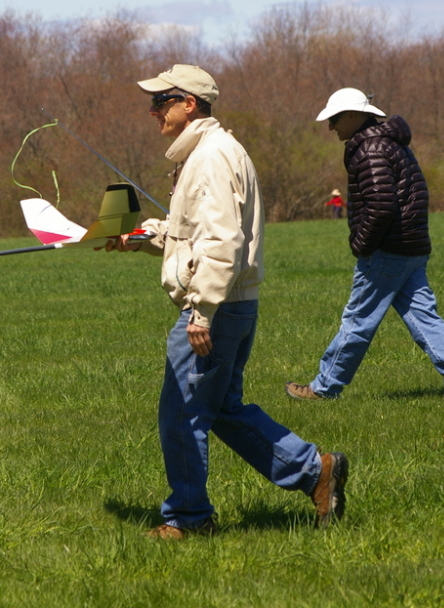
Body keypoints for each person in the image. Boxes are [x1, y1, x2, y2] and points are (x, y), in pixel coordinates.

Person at [106, 64, 348, 538]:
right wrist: (140, 236)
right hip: (233, 302)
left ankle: (189, 518)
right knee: (219, 409)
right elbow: (196, 236)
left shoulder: (212, 157)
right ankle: (314, 470)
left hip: (216, 307)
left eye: (161, 102)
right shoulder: (208, 153)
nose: (153, 111)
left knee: (181, 414)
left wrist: (201, 312)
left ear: (188, 104)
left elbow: (222, 242)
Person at [285, 88, 444, 401]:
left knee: (357, 321)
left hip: (387, 251)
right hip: (412, 248)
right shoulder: (390, 142)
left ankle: (324, 387)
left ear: (353, 115)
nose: (330, 127)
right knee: (426, 320)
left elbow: (381, 206)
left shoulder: (370, 149)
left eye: (334, 119)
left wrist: (362, 244)